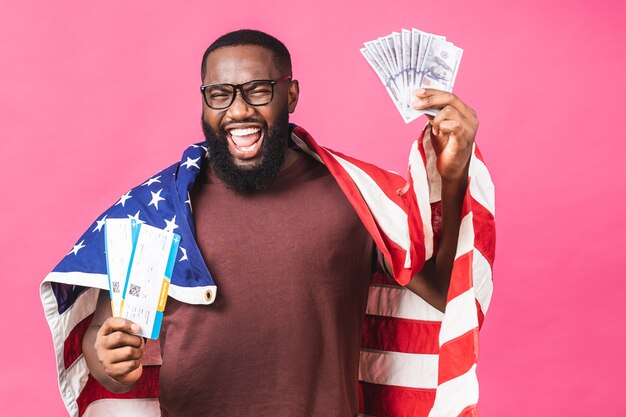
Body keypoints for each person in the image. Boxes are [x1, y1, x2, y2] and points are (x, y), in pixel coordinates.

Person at [41, 29, 495, 417]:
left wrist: (453, 177)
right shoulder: (158, 209)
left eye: (258, 90)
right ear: (204, 102)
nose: (238, 111)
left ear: (291, 93)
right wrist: (108, 360)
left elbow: (439, 291)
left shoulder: (356, 195)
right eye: (220, 95)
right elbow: (106, 345)